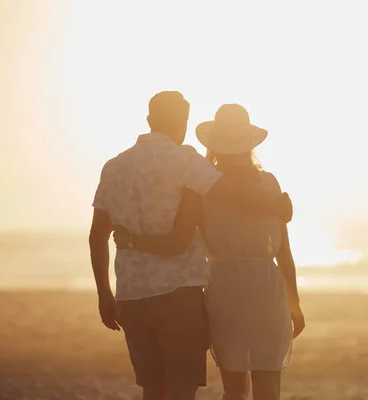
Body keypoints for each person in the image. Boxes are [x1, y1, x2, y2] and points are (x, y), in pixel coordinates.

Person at [89, 92, 292, 400]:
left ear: (148, 120)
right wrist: (276, 205)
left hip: (131, 295)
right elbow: (229, 202)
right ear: (184, 121)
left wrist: (105, 294)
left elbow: (96, 236)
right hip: (179, 295)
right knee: (182, 388)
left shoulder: (114, 166)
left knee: (153, 388)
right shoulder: (185, 161)